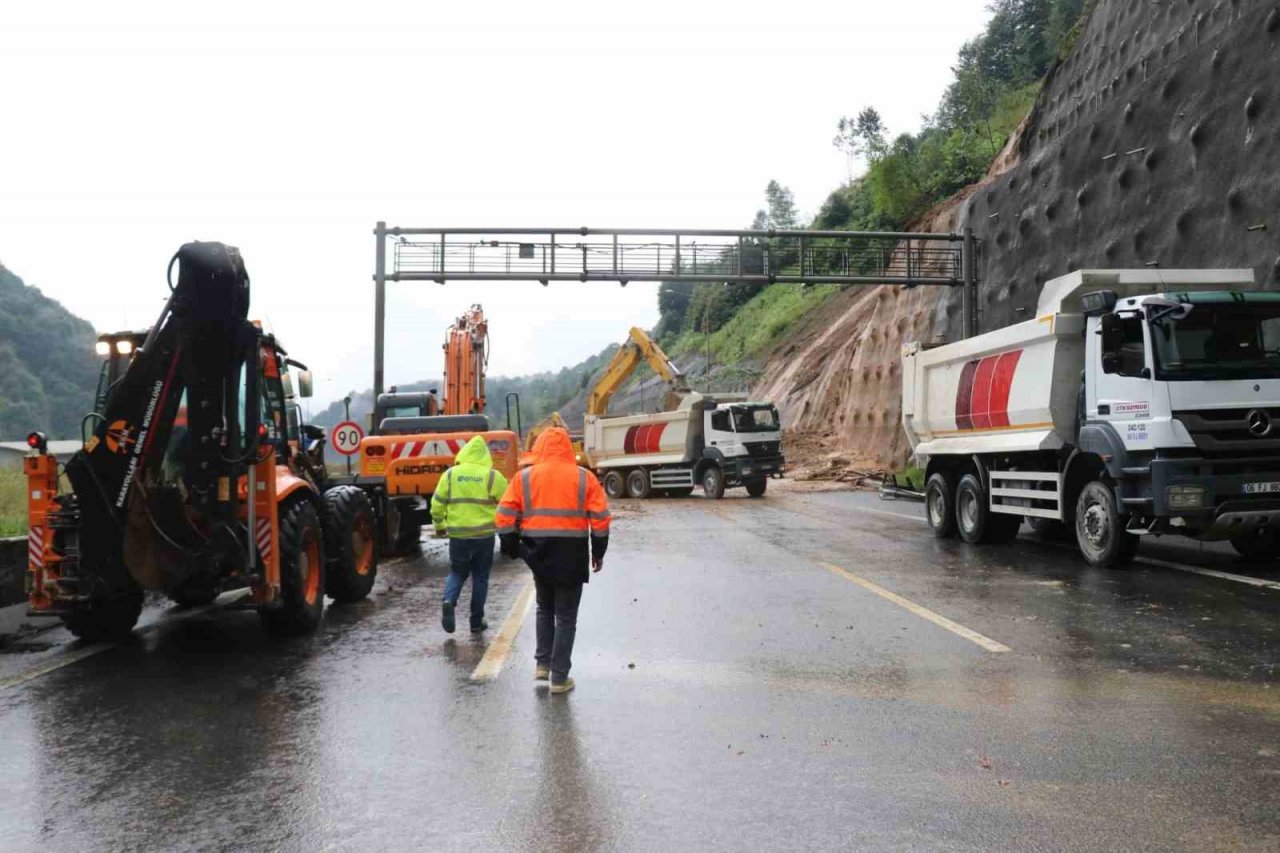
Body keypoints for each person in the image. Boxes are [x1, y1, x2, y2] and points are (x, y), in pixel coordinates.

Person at [496, 428, 610, 694]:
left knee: (544, 608)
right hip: (572, 553)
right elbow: (601, 519)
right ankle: (559, 678)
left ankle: (542, 665)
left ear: (541, 447)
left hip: (538, 553)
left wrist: (514, 547)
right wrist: (599, 551)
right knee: (566, 617)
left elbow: (503, 515)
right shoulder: (585, 478)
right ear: (568, 448)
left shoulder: (523, 478)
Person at [430, 435, 509, 634]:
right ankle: (476, 622)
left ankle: (449, 600)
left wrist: (439, 525)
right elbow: (507, 505)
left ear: (463, 453)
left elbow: (437, 503)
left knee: (457, 572)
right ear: (485, 456)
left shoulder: (450, 475)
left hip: (458, 535)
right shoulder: (493, 476)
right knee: (480, 577)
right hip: (484, 535)